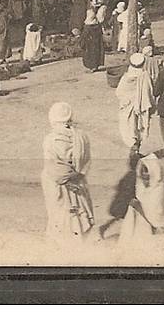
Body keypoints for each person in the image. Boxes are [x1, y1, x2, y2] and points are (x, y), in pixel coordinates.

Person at [40, 102, 96, 244]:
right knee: (80, 212)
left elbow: (53, 167)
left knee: (61, 214)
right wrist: (77, 176)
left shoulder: (50, 140)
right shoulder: (82, 137)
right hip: (78, 181)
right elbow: (86, 161)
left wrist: (67, 180)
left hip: (59, 185)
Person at [118, 153, 164, 253]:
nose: (143, 175)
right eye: (142, 172)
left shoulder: (159, 189)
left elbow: (155, 213)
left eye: (146, 171)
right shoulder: (143, 187)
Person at [116, 50, 162, 156]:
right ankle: (137, 148)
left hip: (128, 107)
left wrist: (126, 100)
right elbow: (151, 91)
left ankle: (134, 149)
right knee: (139, 127)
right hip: (142, 106)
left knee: (129, 128)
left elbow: (119, 92)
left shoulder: (126, 77)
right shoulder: (145, 75)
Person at [81, 7, 104, 72]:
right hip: (95, 38)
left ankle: (92, 67)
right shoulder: (97, 24)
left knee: (90, 52)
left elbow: (84, 35)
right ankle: (94, 66)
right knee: (94, 51)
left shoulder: (87, 26)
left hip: (90, 38)